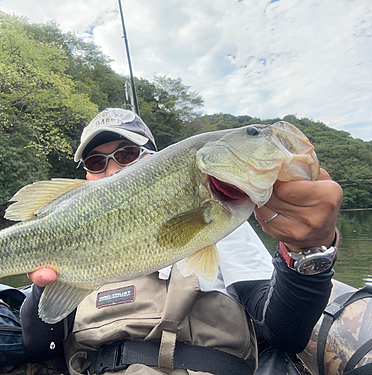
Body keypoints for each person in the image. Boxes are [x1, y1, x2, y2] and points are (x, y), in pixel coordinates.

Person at [20, 108, 343, 375]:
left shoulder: (220, 217)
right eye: (96, 163)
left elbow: (282, 332)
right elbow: (39, 344)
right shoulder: (67, 240)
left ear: (154, 160)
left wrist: (308, 251)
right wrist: (44, 285)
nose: (113, 170)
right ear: (86, 176)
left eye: (127, 154)